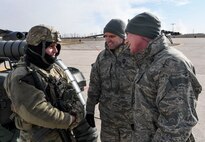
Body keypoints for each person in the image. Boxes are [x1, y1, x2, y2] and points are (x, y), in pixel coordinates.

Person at [3, 25, 97, 142]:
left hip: (63, 134)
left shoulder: (54, 69)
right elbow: (37, 111)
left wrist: (78, 114)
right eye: (51, 46)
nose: (56, 51)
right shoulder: (21, 76)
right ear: (37, 47)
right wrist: (71, 120)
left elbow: (71, 94)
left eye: (57, 46)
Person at [125, 12, 202, 142]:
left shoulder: (172, 64)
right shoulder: (148, 60)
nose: (126, 40)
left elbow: (176, 128)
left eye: (128, 35)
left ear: (141, 34)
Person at [86, 19, 137, 142]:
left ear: (123, 36)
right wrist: (89, 110)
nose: (108, 39)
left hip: (130, 123)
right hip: (108, 122)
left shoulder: (135, 55)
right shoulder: (102, 57)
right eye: (105, 36)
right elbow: (94, 85)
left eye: (112, 36)